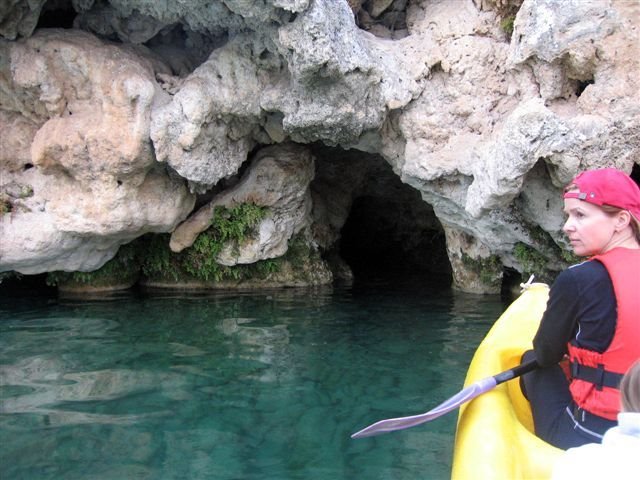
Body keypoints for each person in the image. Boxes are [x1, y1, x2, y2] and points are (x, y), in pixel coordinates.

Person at [520, 167, 640, 449]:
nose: (567, 226)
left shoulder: (579, 279)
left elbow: (546, 354)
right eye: (569, 215)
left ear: (621, 220)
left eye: (580, 215)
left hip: (592, 435)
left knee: (531, 362)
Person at [551, 360, 640, 479]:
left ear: (623, 401)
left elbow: (545, 354)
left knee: (530, 357)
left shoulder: (575, 462)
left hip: (584, 429)